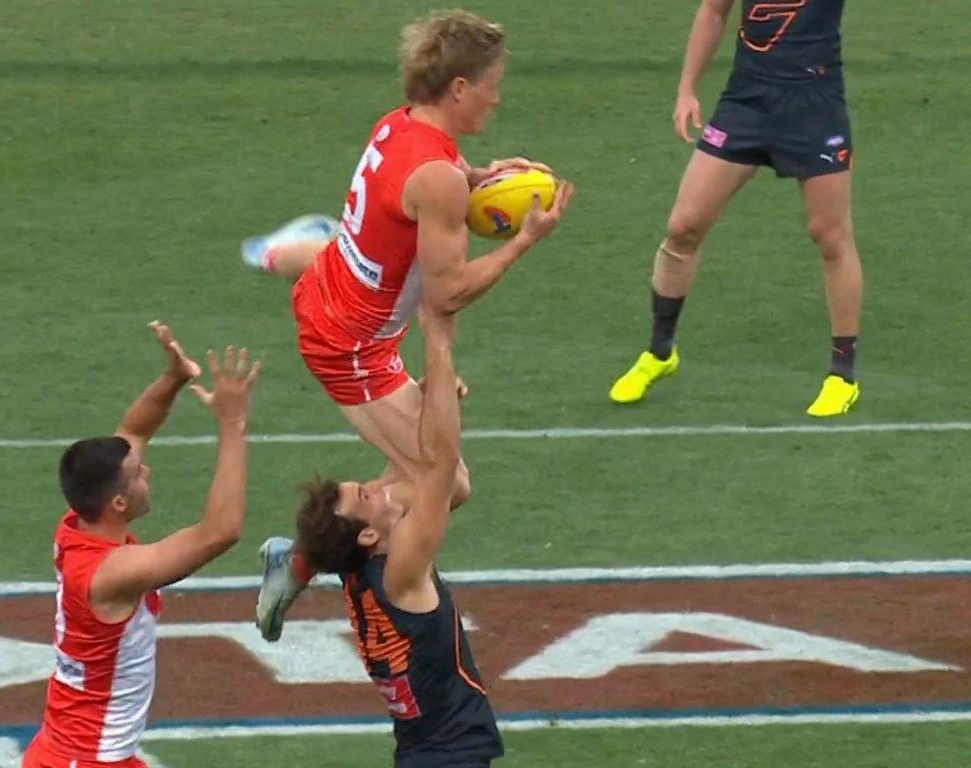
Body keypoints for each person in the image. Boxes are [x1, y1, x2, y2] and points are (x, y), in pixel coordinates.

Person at [242, 8, 574, 627]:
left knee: (411, 458)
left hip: (342, 293)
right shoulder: (439, 178)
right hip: (351, 348)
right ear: (459, 89)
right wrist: (525, 240)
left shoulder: (400, 127)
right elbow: (444, 296)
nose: (497, 100)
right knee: (444, 486)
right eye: (492, 85)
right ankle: (299, 558)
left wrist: (481, 176)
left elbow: (425, 183)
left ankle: (292, 252)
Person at [261, 307, 504, 767]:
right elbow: (440, 464)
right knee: (451, 484)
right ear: (369, 533)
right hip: (448, 757)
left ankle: (295, 562)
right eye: (366, 494)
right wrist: (439, 350)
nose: (377, 487)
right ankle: (294, 561)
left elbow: (417, 461)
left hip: (427, 753)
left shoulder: (367, 567)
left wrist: (431, 398)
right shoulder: (402, 571)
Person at [22, 323, 261, 768]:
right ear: (118, 501)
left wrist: (173, 379)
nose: (147, 473)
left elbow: (134, 429)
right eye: (138, 475)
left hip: (76, 751)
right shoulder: (113, 573)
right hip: (89, 760)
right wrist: (233, 422)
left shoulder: (78, 525)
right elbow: (221, 530)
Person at [608, 0, 861, 417]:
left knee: (830, 234)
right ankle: (660, 352)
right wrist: (687, 88)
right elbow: (713, 11)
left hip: (814, 104)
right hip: (747, 100)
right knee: (683, 227)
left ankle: (842, 376)